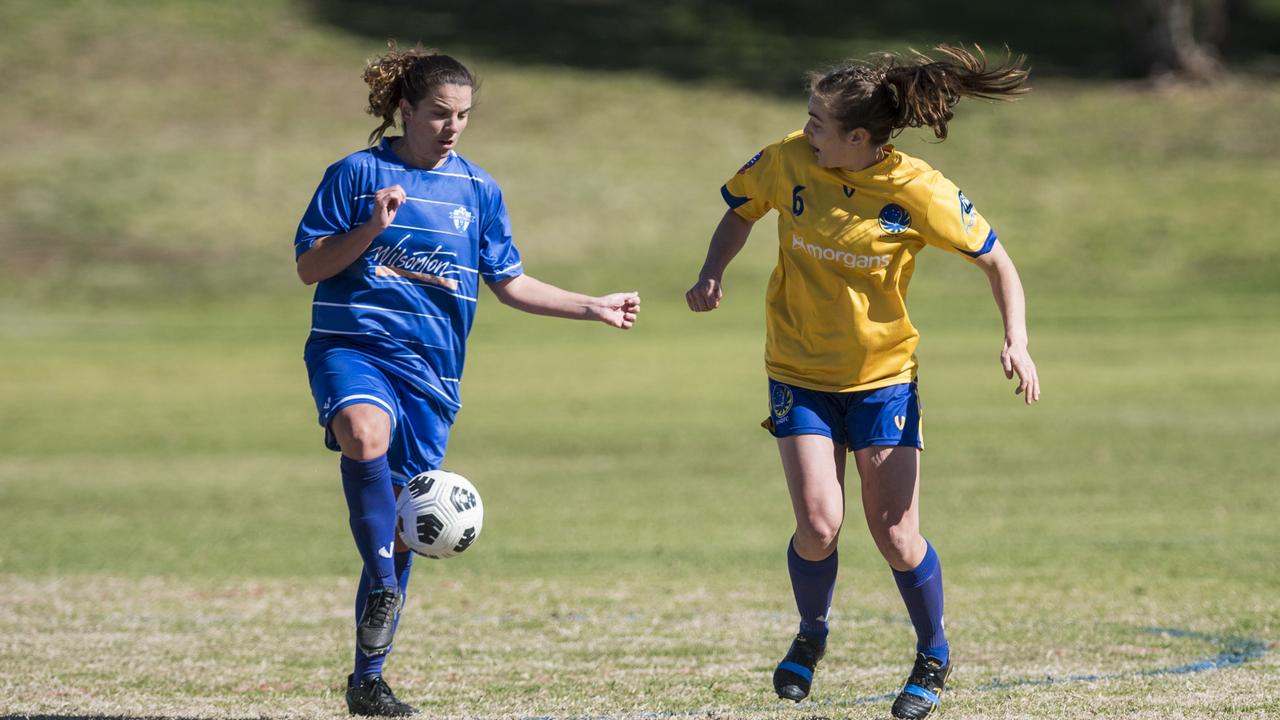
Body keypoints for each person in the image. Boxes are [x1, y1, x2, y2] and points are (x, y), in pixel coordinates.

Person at [685, 46, 1039, 720]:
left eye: (821, 122)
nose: (807, 129)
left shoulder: (919, 191)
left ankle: (933, 653)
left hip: (883, 381)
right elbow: (741, 209)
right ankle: (811, 635)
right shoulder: (788, 158)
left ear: (859, 139)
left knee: (897, 536)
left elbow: (999, 263)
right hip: (797, 370)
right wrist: (713, 271)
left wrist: (1015, 339)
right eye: (809, 116)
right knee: (818, 526)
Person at [294, 45, 640, 717]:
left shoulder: (478, 190)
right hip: (354, 346)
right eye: (438, 114)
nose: (451, 127)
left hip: (432, 373)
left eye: (463, 116)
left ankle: (369, 679)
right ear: (405, 110)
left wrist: (589, 305)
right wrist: (372, 225)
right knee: (364, 434)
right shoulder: (355, 174)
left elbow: (509, 282)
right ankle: (388, 583)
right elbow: (311, 268)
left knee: (402, 528)